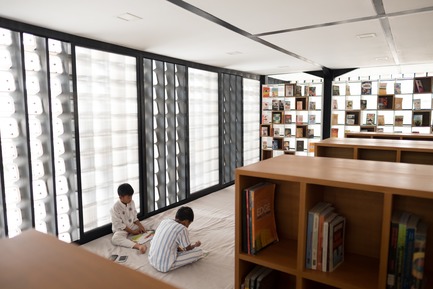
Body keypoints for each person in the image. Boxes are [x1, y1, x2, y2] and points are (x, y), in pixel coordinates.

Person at [148, 206, 205, 272]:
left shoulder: (165, 221)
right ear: (185, 221)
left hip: (151, 259)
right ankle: (169, 260)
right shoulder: (182, 229)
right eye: (189, 223)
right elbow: (187, 249)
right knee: (199, 251)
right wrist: (195, 245)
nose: (188, 226)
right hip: (164, 266)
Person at [110, 183, 147, 254]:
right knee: (115, 239)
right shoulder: (115, 208)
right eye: (129, 197)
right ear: (121, 197)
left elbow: (135, 217)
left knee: (148, 223)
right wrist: (133, 232)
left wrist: (141, 226)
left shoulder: (131, 202)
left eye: (131, 197)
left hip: (131, 225)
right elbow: (119, 225)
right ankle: (139, 246)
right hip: (121, 230)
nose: (131, 199)